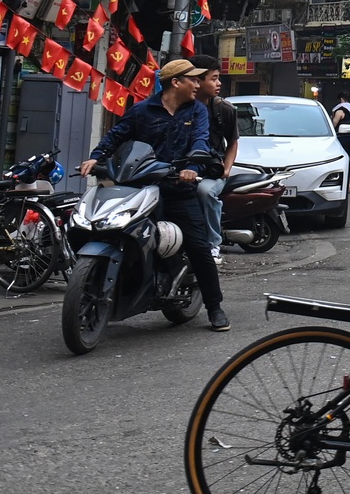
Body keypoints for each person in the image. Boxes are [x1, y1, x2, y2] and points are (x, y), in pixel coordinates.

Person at [81, 59, 227, 333]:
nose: (198, 84)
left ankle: (214, 307)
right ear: (176, 82)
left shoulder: (197, 111)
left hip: (178, 190)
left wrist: (191, 168)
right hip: (142, 189)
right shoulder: (142, 110)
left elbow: (200, 141)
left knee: (199, 248)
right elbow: (116, 136)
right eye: (193, 80)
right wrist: (95, 158)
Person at [191, 55, 238, 260]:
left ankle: (212, 244)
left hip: (212, 171)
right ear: (197, 80)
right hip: (184, 168)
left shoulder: (223, 109)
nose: (219, 84)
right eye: (214, 79)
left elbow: (233, 141)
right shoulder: (181, 106)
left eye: (219, 78)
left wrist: (226, 169)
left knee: (205, 191)